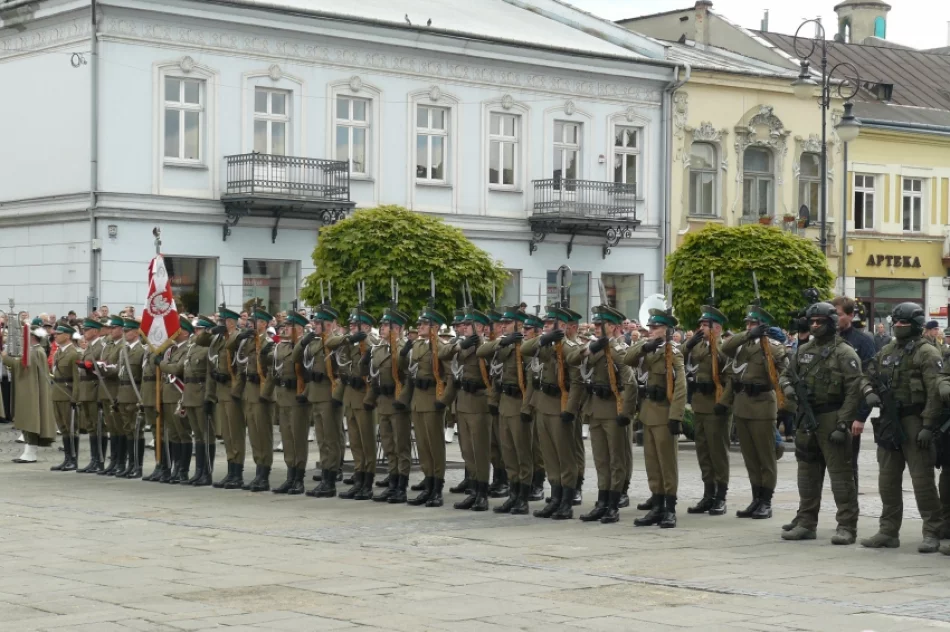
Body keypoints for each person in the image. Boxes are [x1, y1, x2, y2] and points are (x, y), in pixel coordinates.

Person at [862, 302, 948, 553]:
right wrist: (868, 392)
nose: (898, 327)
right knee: (887, 479)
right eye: (896, 322)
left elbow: (934, 392)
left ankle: (932, 531)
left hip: (915, 420)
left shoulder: (927, 353)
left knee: (922, 480)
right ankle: (888, 531)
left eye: (904, 323)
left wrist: (928, 425)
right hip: (889, 419)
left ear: (917, 325)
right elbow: (866, 375)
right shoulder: (887, 350)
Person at [779, 303, 867, 545]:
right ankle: (806, 523)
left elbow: (854, 390)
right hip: (806, 418)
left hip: (832, 416)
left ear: (831, 323)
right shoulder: (803, 350)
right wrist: (789, 390)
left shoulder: (845, 353)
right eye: (812, 322)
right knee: (807, 473)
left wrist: (844, 422)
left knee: (841, 476)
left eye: (820, 322)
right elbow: (786, 374)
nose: (815, 326)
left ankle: (847, 527)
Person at [568, 304, 636, 524]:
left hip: (613, 409)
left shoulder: (619, 351)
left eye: (602, 325)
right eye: (596, 324)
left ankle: (613, 504)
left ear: (615, 327)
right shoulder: (592, 347)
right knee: (600, 460)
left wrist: (626, 411)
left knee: (616, 459)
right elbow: (572, 360)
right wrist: (591, 349)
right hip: (595, 409)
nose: (597, 328)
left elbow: (630, 382)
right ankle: (602, 500)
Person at [721, 303, 788, 520]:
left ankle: (766, 501)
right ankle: (756, 498)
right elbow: (725, 347)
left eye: (753, 323)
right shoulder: (742, 345)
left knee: (765, 457)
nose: (749, 326)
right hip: (742, 405)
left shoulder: (774, 347)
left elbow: (784, 370)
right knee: (750, 457)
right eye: (747, 323)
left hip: (762, 405)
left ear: (763, 326)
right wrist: (747, 334)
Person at [624, 307, 687, 528]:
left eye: (656, 327)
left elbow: (680, 385)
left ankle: (669, 508)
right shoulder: (647, 349)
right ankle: (657, 504)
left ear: (667, 330)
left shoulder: (674, 352)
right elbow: (628, 359)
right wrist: (644, 345)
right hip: (648, 411)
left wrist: (676, 415)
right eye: (650, 327)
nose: (651, 330)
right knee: (652, 463)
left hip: (664, 412)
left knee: (666, 463)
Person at [520, 306, 580, 520]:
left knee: (565, 457)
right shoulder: (545, 346)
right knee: (549, 456)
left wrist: (570, 409)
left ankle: (566, 501)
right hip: (543, 405)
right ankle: (555, 497)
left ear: (562, 326)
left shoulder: (569, 348)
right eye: (544, 325)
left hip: (560, 406)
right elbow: (525, 349)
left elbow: (577, 382)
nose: (545, 327)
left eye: (549, 324)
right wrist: (545, 339)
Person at [479, 305, 533, 514]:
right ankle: (513, 493)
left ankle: (523, 497)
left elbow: (531, 380)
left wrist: (527, 408)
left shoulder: (526, 348)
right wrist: (503, 340)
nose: (502, 326)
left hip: (519, 404)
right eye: (501, 323)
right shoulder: (503, 346)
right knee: (508, 453)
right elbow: (481, 351)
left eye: (507, 323)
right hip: (504, 404)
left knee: (522, 453)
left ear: (518, 325)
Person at [441, 307, 493, 511]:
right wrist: (459, 346)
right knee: (467, 451)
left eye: (468, 325)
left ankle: (482, 493)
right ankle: (473, 490)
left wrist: (478, 343)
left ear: (479, 327)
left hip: (479, 403)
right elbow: (443, 354)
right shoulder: (459, 343)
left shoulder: (487, 345)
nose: (463, 328)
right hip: (462, 402)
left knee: (480, 451)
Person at [683, 305, 733, 516]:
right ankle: (707, 494)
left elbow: (730, 376)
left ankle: (720, 496)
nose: (702, 328)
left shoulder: (726, 346)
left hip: (716, 404)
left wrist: (724, 402)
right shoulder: (697, 346)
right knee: (703, 451)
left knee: (717, 452)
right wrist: (689, 343)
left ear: (718, 329)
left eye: (707, 325)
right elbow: (678, 357)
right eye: (701, 325)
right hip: (699, 403)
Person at [399, 306, 449, 507]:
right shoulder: (417, 346)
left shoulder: (440, 346)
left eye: (424, 324)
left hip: (432, 399)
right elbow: (406, 368)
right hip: (417, 400)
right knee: (422, 446)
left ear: (435, 327)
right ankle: (428, 484)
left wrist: (443, 400)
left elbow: (449, 375)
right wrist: (403, 353)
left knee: (435, 446)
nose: (419, 326)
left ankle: (437, 488)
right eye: (419, 324)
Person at [328, 307, 379, 499]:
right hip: (349, 396)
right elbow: (331, 344)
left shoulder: (372, 342)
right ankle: (358, 478)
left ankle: (367, 482)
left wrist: (363, 340)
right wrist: (350, 338)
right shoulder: (349, 341)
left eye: (355, 324)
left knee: (367, 443)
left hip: (364, 396)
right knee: (356, 443)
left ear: (365, 326)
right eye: (350, 324)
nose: (351, 327)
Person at [364, 306, 412, 504]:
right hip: (383, 401)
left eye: (387, 325)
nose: (382, 328)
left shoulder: (403, 348)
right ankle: (392, 482)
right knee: (388, 445)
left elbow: (408, 375)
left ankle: (401, 485)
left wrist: (403, 400)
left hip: (397, 401)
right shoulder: (379, 348)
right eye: (382, 325)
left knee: (401, 446)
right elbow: (373, 376)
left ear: (398, 329)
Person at [160, 315, 214, 485]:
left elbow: (205, 375)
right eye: (195, 329)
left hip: (200, 394)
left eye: (198, 329)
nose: (195, 332)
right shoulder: (191, 349)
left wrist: (209, 397)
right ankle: (197, 472)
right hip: (189, 395)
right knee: (197, 435)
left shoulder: (207, 349)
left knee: (205, 435)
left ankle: (206, 472)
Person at [831, 296, 876, 492]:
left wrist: (860, 416)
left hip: (850, 413)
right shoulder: (826, 340)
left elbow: (868, 379)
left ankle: (850, 506)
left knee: (848, 463)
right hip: (827, 409)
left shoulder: (862, 341)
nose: (834, 318)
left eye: (838, 314)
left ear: (850, 315)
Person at [229, 305, 276, 492]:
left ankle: (264, 474)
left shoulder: (268, 343)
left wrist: (266, 392)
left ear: (264, 324)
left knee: (263, 435)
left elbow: (272, 370)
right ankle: (258, 471)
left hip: (261, 393)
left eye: (254, 322)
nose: (250, 325)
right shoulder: (247, 342)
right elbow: (230, 349)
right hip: (248, 392)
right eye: (249, 322)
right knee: (254, 436)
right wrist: (240, 336)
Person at [2, 326, 56, 462]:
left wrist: (5, 357)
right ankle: (28, 451)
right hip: (30, 390)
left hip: (32, 392)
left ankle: (30, 453)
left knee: (31, 420)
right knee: (28, 420)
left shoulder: (34, 352)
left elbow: (21, 365)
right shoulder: (36, 350)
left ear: (31, 337)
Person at [271, 312, 310, 495]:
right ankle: (290, 475)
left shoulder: (305, 346)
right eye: (285, 326)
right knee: (286, 437)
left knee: (298, 438)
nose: (285, 328)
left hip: (298, 397)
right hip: (283, 396)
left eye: (290, 326)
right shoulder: (281, 346)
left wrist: (300, 342)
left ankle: (299, 478)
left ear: (300, 328)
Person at [209, 306, 246, 489]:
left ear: (230, 322)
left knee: (235, 433)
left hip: (232, 391)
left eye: (222, 321)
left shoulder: (238, 338)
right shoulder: (219, 339)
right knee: (227, 434)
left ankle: (237, 472)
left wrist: (236, 391)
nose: (219, 324)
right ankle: (231, 470)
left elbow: (241, 366)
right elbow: (202, 341)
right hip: (221, 391)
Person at [48, 323, 81, 471]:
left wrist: (75, 398)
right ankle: (67, 458)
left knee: (71, 428)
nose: (55, 336)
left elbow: (77, 378)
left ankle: (73, 459)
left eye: (58, 334)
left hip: (68, 394)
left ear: (67, 336)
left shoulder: (74, 353)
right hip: (57, 393)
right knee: (63, 428)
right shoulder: (58, 353)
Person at [76, 317, 106, 473]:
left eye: (87, 330)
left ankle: (100, 460)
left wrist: (89, 367)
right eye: (84, 330)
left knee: (98, 426)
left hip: (94, 390)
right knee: (90, 427)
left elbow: (102, 367)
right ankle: (94, 459)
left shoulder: (100, 346)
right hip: (86, 390)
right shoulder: (88, 347)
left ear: (95, 331)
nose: (84, 332)